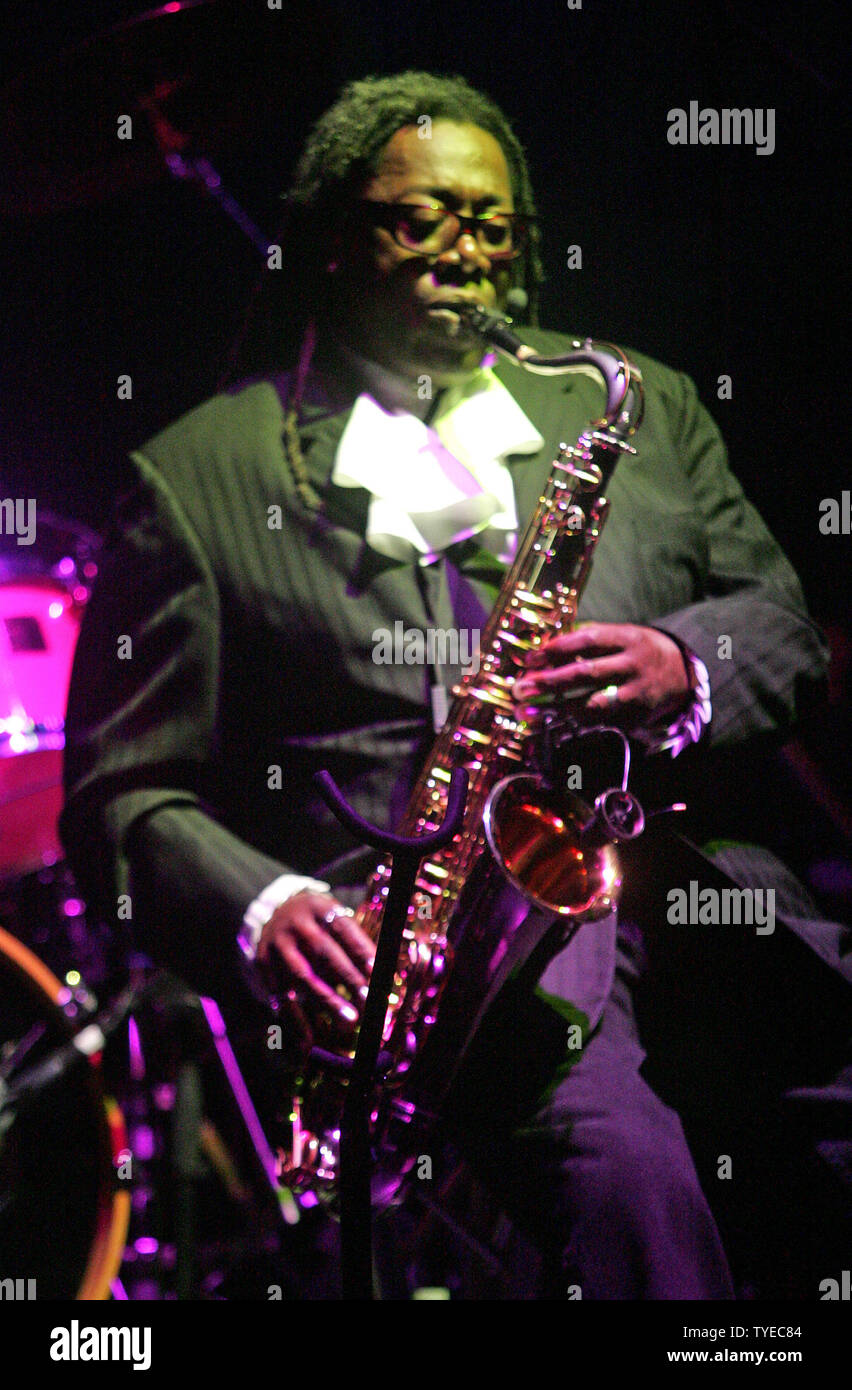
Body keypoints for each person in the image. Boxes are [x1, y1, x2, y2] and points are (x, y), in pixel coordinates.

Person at [61, 71, 851, 1299]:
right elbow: (122, 792)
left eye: (490, 224)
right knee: (633, 1195)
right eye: (417, 220)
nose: (461, 252)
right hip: (458, 982)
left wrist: (691, 663)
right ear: (334, 237)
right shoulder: (199, 475)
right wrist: (266, 907)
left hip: (704, 896)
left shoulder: (639, 406)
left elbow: (787, 631)